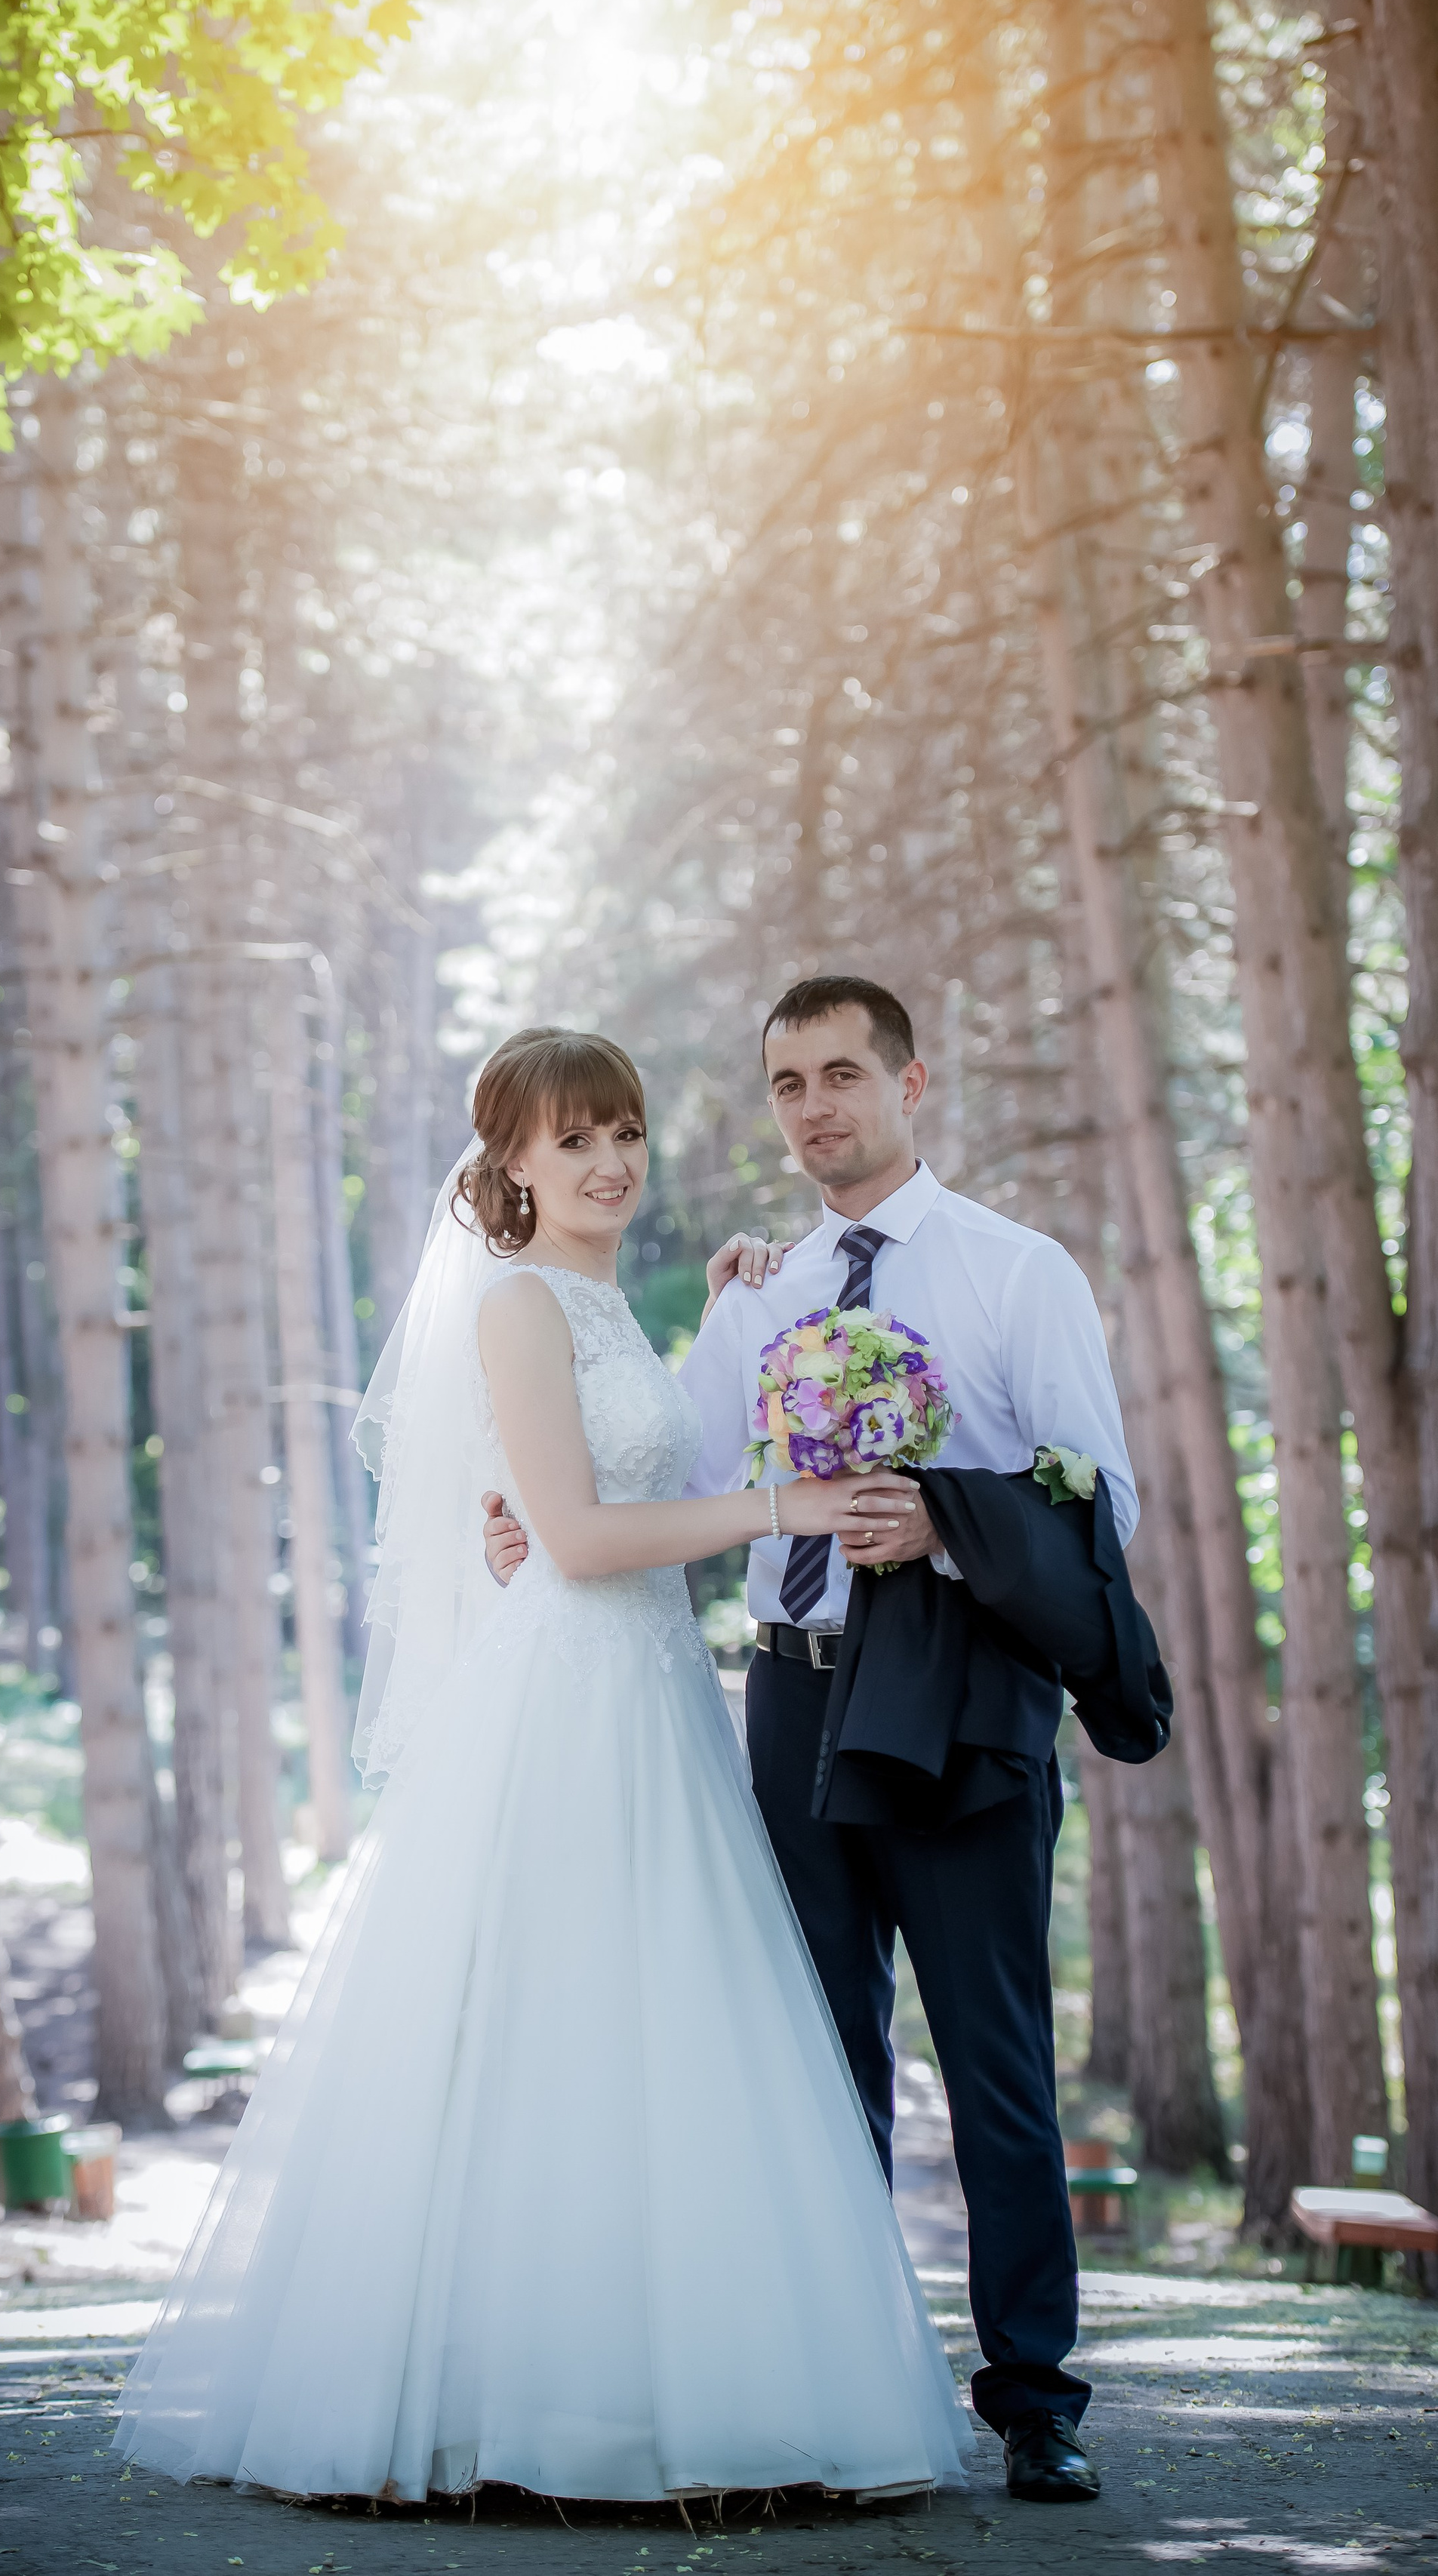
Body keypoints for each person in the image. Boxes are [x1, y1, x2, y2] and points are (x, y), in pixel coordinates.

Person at [113, 1025, 971, 2506]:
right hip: (569, 1699)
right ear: (507, 1160)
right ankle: (507, 2405)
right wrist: (792, 1503)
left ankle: (666, 2395)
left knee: (661, 2038)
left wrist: (716, 1340)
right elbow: (573, 1540)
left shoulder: (603, 1298)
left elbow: (627, 1480)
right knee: (556, 2032)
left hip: (647, 1693)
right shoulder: (515, 1304)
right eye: (572, 1138)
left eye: (623, 1130)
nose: (608, 1161)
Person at [485, 975, 1135, 2504]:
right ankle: (844, 2387)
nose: (813, 1108)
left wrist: (948, 1525)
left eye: (841, 1074)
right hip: (786, 1695)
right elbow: (682, 1467)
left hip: (963, 1692)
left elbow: (1107, 1502)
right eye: (785, 1085)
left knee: (990, 2056)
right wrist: (528, 1518)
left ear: (915, 1082)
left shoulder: (1012, 1272)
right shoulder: (764, 1290)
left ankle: (1033, 2395)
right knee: (808, 2053)